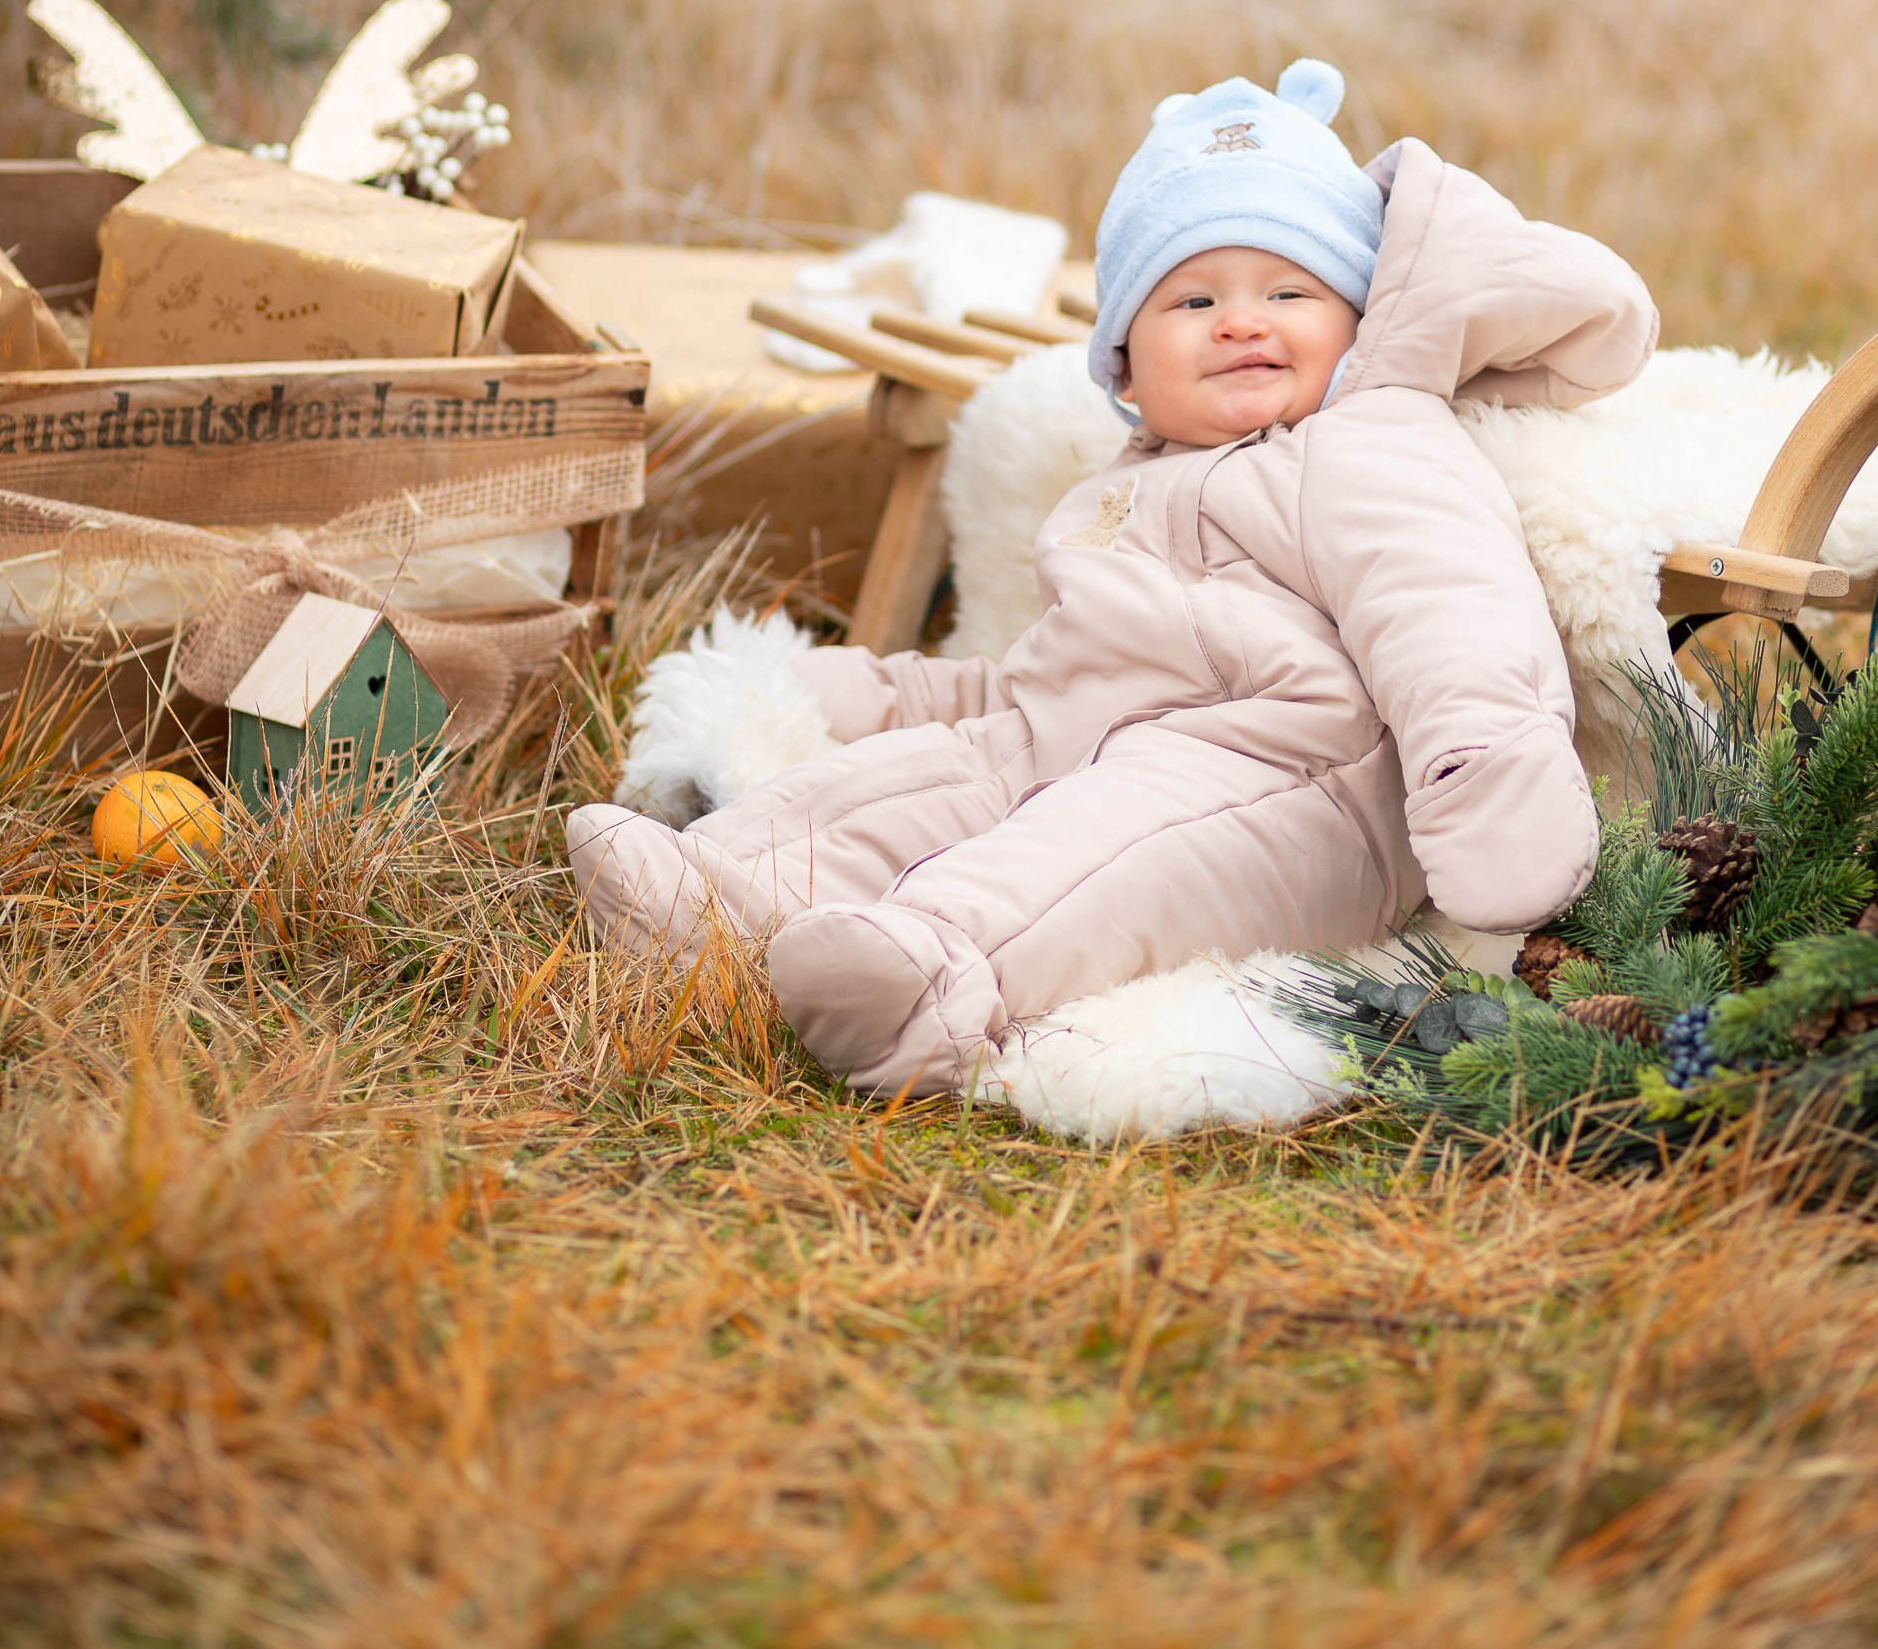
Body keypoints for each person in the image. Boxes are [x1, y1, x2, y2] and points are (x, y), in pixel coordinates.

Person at [568, 60, 1657, 1096]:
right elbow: (1047, 675)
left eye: (1290, 287)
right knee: (935, 777)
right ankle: (721, 891)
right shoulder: (1125, 484)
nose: (1240, 318)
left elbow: (1449, 609)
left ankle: (934, 971)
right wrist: (866, 698)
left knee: (1084, 852)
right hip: (1086, 742)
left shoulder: (1366, 439)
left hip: (1283, 776)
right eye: (1191, 302)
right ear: (1125, 368)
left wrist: (1491, 780)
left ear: (1359, 319)